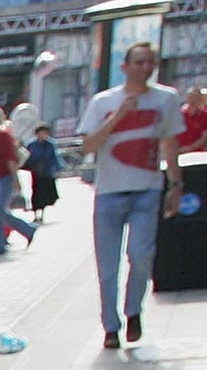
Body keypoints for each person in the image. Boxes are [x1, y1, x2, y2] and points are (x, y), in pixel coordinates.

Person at [78, 44, 182, 349]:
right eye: (138, 62)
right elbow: (88, 146)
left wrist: (176, 183)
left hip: (147, 189)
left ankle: (133, 309)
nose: (144, 67)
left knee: (141, 255)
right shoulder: (103, 102)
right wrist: (119, 116)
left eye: (150, 62)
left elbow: (170, 143)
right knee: (107, 266)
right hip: (110, 191)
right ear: (125, 67)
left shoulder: (166, 99)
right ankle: (110, 326)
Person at [0, 106, 37, 254]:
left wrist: (15, 179)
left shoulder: (2, 137)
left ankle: (27, 229)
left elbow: (10, 159)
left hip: (3, 177)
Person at [24, 122, 63, 220]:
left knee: (45, 194)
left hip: (47, 172)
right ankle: (35, 213)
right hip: (36, 173)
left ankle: (42, 213)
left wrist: (58, 169)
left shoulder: (50, 144)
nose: (43, 135)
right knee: (36, 193)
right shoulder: (32, 145)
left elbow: (55, 157)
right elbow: (27, 157)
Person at [177, 85, 207, 153]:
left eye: (195, 97)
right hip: (178, 151)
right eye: (191, 96)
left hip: (197, 153)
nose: (193, 99)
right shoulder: (178, 113)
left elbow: (205, 137)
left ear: (200, 99)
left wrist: (187, 149)